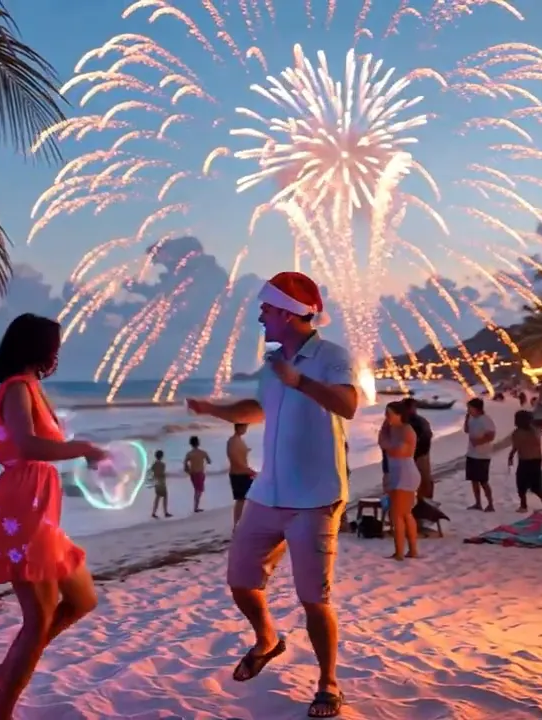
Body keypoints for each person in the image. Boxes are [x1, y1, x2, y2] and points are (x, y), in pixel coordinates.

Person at [186, 271, 358, 718]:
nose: (260, 315)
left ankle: (328, 684)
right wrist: (214, 410)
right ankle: (267, 639)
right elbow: (259, 410)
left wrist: (299, 381)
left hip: (316, 497)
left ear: (286, 312)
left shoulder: (331, 356)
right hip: (267, 493)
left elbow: (348, 405)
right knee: (240, 581)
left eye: (266, 309)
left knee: (314, 599)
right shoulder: (272, 364)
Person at [0, 313, 104, 720]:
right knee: (37, 619)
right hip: (21, 511)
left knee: (82, 598)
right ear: (39, 348)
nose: (57, 354)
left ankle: (13, 664)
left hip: (39, 512)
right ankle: (1, 711)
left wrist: (83, 456)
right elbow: (28, 446)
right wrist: (83, 448)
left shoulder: (32, 387)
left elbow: (44, 447)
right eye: (54, 346)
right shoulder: (17, 388)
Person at [378, 402, 419, 560]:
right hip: (396, 472)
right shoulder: (391, 428)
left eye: (389, 413)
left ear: (399, 414)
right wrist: (385, 430)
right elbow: (382, 442)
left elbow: (398, 452)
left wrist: (386, 444)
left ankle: (400, 552)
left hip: (405, 473)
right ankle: (410, 550)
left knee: (398, 514)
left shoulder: (406, 430)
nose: (386, 416)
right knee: (404, 513)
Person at [508, 410, 542, 512]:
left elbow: (516, 447)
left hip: (525, 461)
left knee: (521, 484)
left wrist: (511, 456)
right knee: (536, 486)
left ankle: (524, 506)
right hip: (536, 460)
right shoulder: (534, 431)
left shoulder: (517, 433)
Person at [464, 397, 497, 512]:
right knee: (474, 480)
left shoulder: (486, 420)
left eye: (470, 408)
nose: (468, 410)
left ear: (477, 409)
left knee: (483, 481)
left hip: (483, 455)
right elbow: (466, 430)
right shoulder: (471, 418)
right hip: (471, 454)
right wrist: (466, 417)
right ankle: (478, 503)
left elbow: (491, 436)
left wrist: (478, 442)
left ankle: (490, 504)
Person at [400, 397, 435, 500]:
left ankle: (424, 501)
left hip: (419, 454)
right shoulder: (404, 421)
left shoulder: (418, 421)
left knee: (423, 480)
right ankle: (421, 501)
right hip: (412, 454)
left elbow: (426, 437)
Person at [227, 423, 256, 528]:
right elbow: (234, 458)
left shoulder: (239, 440)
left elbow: (239, 454)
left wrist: (246, 451)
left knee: (249, 498)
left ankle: (244, 522)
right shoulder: (233, 441)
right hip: (238, 473)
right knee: (240, 500)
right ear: (239, 427)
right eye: (244, 427)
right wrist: (249, 470)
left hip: (244, 472)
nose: (245, 429)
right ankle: (237, 524)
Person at [184, 435, 211, 513]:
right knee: (199, 490)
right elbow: (209, 461)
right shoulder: (203, 452)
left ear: (190, 444)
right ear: (198, 443)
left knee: (197, 490)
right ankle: (196, 507)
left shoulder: (189, 454)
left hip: (192, 474)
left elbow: (185, 464)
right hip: (200, 473)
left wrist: (188, 471)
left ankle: (196, 507)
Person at [150, 450, 172, 518]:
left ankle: (154, 512)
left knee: (157, 497)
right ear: (162, 456)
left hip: (156, 482)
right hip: (161, 482)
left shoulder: (153, 465)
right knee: (165, 496)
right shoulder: (163, 464)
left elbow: (151, 473)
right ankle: (165, 512)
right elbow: (162, 473)